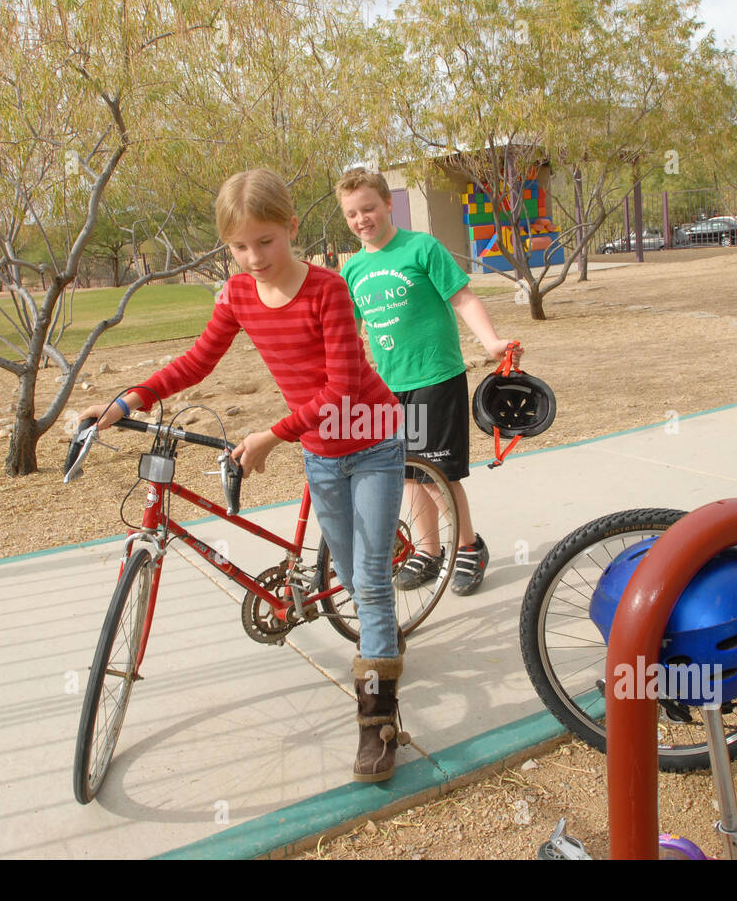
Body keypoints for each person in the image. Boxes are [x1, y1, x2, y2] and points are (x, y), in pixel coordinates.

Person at [77, 169, 408, 783]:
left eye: (266, 242)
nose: (254, 258)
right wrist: (129, 401)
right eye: (239, 247)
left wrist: (269, 437)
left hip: (372, 437)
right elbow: (198, 360)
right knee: (354, 580)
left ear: (292, 228)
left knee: (368, 573)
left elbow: (341, 388)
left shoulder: (327, 290)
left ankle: (378, 724)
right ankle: (382, 648)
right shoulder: (237, 295)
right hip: (321, 450)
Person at [336, 167, 522, 596]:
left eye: (368, 208)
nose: (362, 219)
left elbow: (463, 297)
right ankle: (428, 550)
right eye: (352, 214)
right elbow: (349, 328)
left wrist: (491, 341)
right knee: (406, 473)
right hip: (389, 386)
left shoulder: (421, 248)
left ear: (387, 204)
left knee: (438, 472)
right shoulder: (354, 269)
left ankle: (468, 548)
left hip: (436, 377)